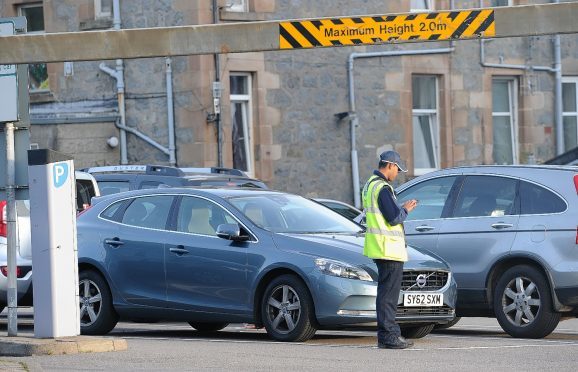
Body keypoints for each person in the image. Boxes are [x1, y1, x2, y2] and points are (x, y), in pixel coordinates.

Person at [362, 150, 418, 349]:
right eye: (397, 169)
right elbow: (394, 218)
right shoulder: (383, 188)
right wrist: (405, 209)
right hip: (388, 249)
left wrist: (398, 208)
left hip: (378, 247)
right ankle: (389, 336)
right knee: (389, 296)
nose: (398, 174)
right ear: (390, 165)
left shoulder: (370, 185)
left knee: (385, 293)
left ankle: (387, 334)